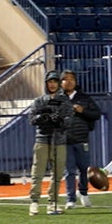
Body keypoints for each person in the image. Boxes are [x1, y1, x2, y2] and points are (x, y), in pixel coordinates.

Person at [28, 70, 74, 215]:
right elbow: (31, 119)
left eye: (55, 82)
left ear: (58, 83)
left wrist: (60, 121)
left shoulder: (64, 100)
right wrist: (42, 117)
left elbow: (70, 118)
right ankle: (34, 201)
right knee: (38, 171)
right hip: (42, 139)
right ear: (46, 84)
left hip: (59, 140)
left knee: (57, 172)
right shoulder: (39, 100)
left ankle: (53, 201)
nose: (52, 84)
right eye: (50, 82)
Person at [60, 70, 102, 211]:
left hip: (81, 138)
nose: (69, 81)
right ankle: (70, 198)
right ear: (61, 82)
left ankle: (83, 193)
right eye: (66, 79)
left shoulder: (84, 98)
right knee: (69, 171)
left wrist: (82, 110)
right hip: (65, 140)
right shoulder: (57, 99)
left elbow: (96, 114)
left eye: (72, 79)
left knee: (84, 169)